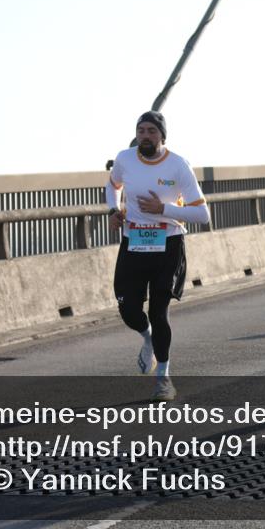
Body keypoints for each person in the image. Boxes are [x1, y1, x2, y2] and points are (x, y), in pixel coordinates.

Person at [106, 111, 211, 402]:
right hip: (134, 242)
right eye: (141, 131)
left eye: (152, 131)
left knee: (159, 310)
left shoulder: (178, 165)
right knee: (128, 310)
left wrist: (162, 210)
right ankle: (147, 338)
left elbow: (202, 214)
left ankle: (163, 377)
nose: (146, 136)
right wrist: (114, 211)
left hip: (168, 244)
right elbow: (112, 186)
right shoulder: (124, 159)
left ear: (162, 136)